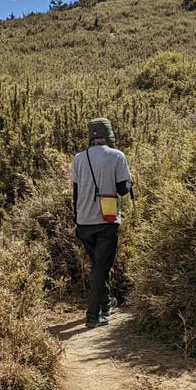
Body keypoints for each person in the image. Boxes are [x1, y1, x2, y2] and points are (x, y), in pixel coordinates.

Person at [70, 117, 133, 328]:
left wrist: (77, 221)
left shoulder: (79, 158)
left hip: (84, 221)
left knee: (98, 266)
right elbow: (123, 189)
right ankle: (93, 316)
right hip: (106, 221)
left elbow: (75, 193)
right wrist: (130, 181)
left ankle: (106, 302)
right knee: (101, 268)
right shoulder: (117, 156)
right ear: (109, 135)